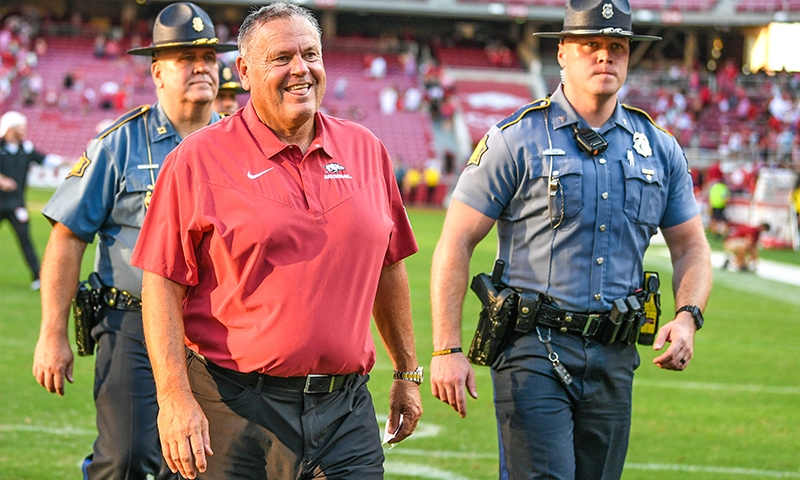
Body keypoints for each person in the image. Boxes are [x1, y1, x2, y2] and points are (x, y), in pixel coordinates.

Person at [130, 3, 423, 479]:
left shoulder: (367, 150)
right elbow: (162, 282)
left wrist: (407, 372)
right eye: (282, 57)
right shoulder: (197, 159)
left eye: (311, 54)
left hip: (345, 409)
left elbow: (390, 265)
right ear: (244, 71)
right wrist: (174, 397)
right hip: (235, 408)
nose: (300, 70)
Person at [428, 0, 712, 478]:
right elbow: (455, 240)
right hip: (532, 349)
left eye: (616, 47)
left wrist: (687, 317)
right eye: (591, 45)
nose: (605, 56)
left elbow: (691, 246)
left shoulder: (659, 146)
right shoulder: (513, 139)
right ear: (562, 53)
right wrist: (446, 349)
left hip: (615, 356)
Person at [31, 3, 236, 479]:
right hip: (131, 323)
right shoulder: (118, 144)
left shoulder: (237, 145)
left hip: (214, 331)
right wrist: (52, 334)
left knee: (196, 462)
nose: (202, 67)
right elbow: (67, 237)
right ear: (158, 71)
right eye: (187, 58)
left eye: (208, 57)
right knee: (125, 456)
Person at [0, 111, 45, 290]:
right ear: (11, 129)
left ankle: (38, 277)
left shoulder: (26, 149)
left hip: (16, 204)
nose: (24, 130)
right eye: (21, 127)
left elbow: (46, 160)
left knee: (25, 240)